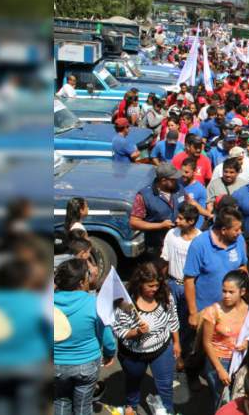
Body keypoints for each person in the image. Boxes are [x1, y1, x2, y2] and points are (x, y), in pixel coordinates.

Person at [111, 261, 181, 415]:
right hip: (133, 355)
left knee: (165, 385)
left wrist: (176, 343)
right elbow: (118, 330)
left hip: (162, 349)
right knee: (134, 381)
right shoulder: (126, 303)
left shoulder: (166, 296)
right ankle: (132, 405)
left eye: (157, 285)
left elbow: (173, 319)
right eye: (150, 286)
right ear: (140, 283)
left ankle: (167, 411)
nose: (154, 289)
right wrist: (136, 332)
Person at [53, 259, 116, 415]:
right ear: (81, 282)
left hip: (55, 365)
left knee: (60, 401)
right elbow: (106, 336)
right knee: (83, 406)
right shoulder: (94, 303)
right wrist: (109, 353)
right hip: (86, 364)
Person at [183, 206, 248, 331]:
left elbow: (242, 265)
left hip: (231, 311)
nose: (240, 232)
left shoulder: (239, 240)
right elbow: (189, 280)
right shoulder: (199, 245)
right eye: (236, 229)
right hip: (206, 312)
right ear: (223, 230)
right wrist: (193, 313)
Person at [202, 270, 249, 410]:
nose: (226, 295)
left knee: (238, 397)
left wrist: (246, 343)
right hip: (219, 361)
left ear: (242, 292)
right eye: (224, 291)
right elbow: (207, 342)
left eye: (231, 292)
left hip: (240, 360)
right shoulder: (213, 311)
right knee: (221, 400)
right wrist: (219, 369)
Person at [160, 202, 200, 357]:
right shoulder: (171, 234)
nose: (177, 221)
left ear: (191, 221)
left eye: (181, 218)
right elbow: (165, 259)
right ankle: (170, 352)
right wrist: (162, 282)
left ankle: (183, 354)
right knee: (170, 319)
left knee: (187, 323)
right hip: (172, 284)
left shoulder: (200, 239)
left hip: (192, 288)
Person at [129, 162, 186, 256]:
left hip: (177, 242)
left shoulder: (178, 189)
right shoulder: (144, 196)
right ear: (163, 180)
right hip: (156, 246)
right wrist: (160, 225)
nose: (177, 180)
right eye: (173, 179)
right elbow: (134, 222)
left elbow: (188, 203)